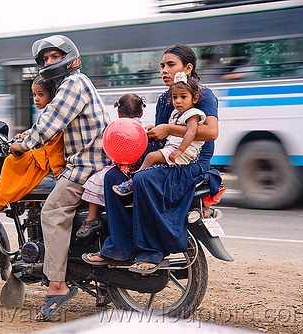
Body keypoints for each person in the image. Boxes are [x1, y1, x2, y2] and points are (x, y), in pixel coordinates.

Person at [83, 44, 219, 274]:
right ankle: (119, 248)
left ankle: (151, 251)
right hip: (166, 157)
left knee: (144, 179)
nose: (164, 70)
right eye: (162, 66)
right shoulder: (168, 97)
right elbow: (165, 133)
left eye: (170, 65)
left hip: (190, 162)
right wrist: (152, 131)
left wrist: (166, 129)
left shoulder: (202, 95)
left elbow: (211, 132)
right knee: (111, 177)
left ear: (187, 68)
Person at [9, 35, 111, 321]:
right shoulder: (74, 84)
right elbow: (51, 120)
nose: (50, 62)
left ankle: (56, 285)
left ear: (69, 56)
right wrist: (27, 135)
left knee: (52, 211)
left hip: (86, 166)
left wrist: (23, 144)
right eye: (46, 59)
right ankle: (98, 282)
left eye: (55, 56)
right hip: (94, 162)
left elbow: (50, 120)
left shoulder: (73, 83)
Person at [0, 76, 65, 211]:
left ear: (53, 95)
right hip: (49, 153)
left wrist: (24, 143)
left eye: (41, 95)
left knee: (11, 161)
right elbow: (41, 130)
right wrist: (28, 134)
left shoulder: (52, 112)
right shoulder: (50, 113)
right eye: (34, 95)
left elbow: (43, 132)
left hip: (50, 157)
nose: (36, 99)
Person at [112, 72, 206, 196]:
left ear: (194, 99)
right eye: (174, 97)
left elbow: (191, 132)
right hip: (172, 148)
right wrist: (154, 128)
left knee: (151, 157)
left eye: (183, 97)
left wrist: (180, 150)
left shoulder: (193, 114)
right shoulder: (176, 113)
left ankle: (132, 182)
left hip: (184, 152)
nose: (178, 101)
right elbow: (172, 131)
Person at [76, 93, 145, 238]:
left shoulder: (117, 128)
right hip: (139, 168)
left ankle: (91, 218)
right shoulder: (143, 129)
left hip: (121, 168)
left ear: (118, 113)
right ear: (142, 112)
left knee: (94, 181)